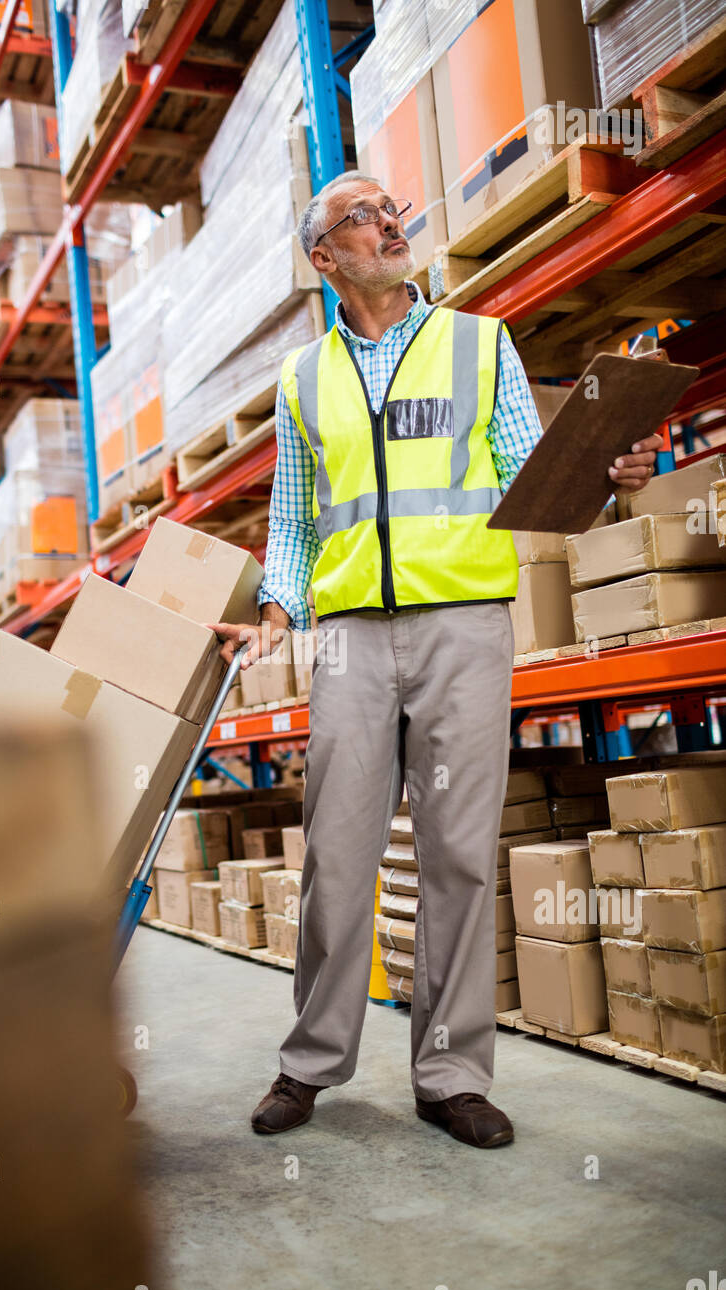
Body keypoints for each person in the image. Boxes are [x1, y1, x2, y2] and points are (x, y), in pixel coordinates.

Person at [207, 172, 662, 1148]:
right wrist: (276, 614)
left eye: (391, 208)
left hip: (463, 623)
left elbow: (530, 480)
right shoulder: (301, 380)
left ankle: (449, 1073)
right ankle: (309, 1063)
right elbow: (292, 521)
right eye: (362, 216)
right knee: (336, 852)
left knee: (457, 850)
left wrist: (605, 474)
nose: (389, 221)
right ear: (323, 257)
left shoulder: (478, 343)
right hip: (352, 637)